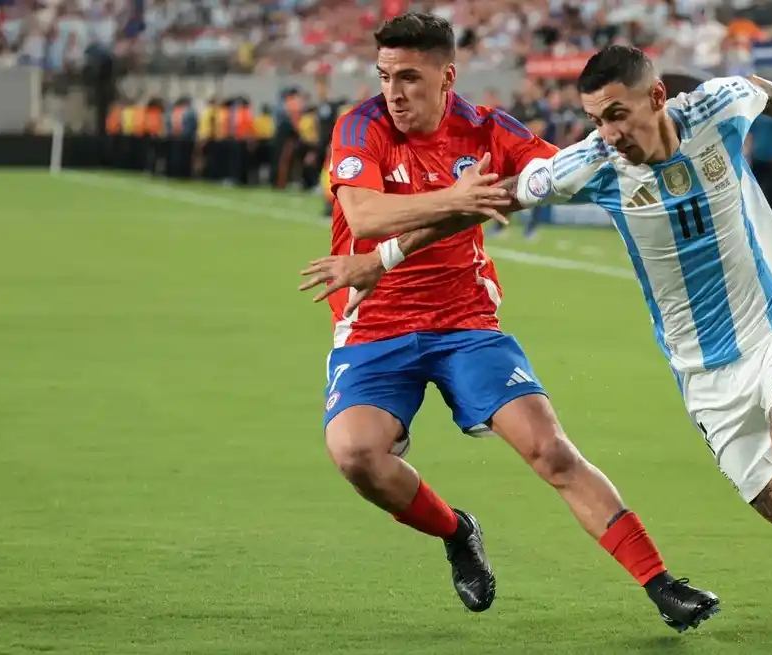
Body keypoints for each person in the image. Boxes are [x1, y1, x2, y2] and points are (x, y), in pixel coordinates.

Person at [308, 45, 772, 633]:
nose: (609, 133)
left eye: (617, 114)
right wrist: (382, 258)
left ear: (656, 97)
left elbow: (766, 89)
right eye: (597, 119)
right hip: (702, 374)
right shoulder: (590, 164)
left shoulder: (716, 108)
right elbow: (483, 202)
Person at [298, 15, 720, 632]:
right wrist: (458, 198)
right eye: (384, 76)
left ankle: (662, 585)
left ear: (447, 77)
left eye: (409, 77)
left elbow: (557, 173)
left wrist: (642, 160)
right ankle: (456, 531)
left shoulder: (488, 129)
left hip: (465, 322)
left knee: (550, 450)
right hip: (374, 325)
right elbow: (363, 216)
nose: (394, 92)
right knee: (356, 454)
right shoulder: (361, 126)